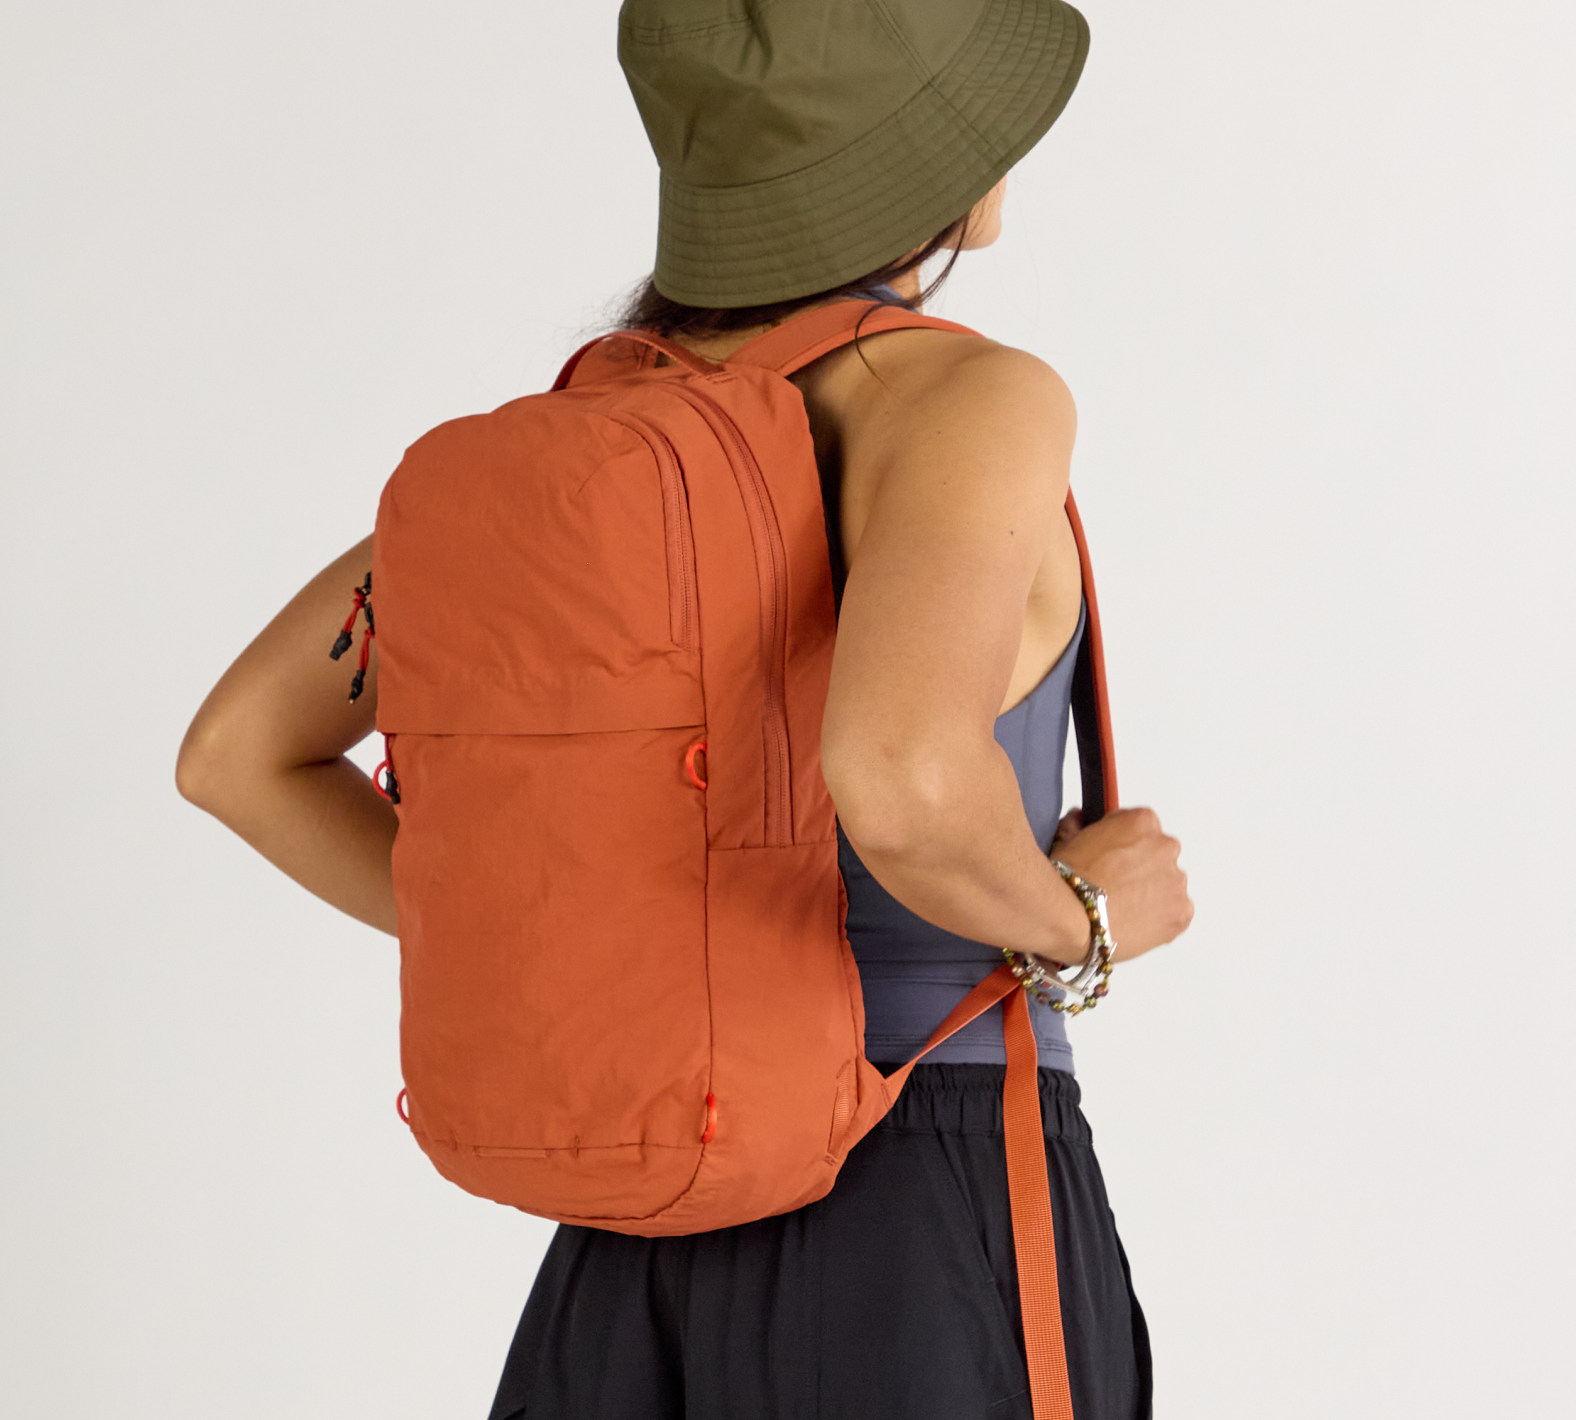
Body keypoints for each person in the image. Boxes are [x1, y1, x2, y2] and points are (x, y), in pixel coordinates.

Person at [177, 2, 1193, 1416]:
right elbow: (897, 779)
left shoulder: (585, 453)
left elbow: (239, 757)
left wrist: (610, 923)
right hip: (913, 1192)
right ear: (928, 166)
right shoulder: (961, 401)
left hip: (636, 1220)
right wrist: (1084, 921)